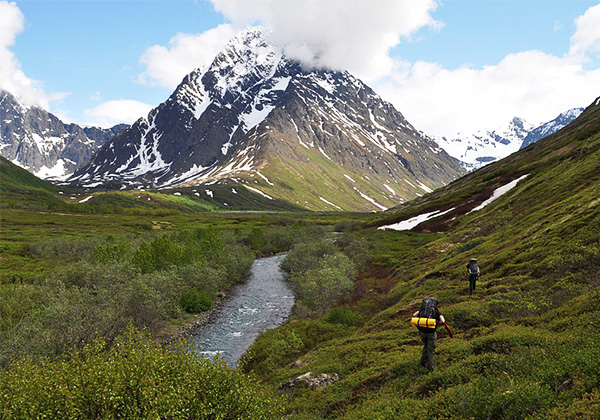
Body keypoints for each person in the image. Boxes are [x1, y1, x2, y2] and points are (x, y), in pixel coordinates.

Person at [412, 297, 445, 373]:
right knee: (430, 350)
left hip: (422, 332)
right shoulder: (436, 312)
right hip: (431, 333)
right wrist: (437, 323)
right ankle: (431, 369)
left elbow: (414, 315)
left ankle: (422, 363)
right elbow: (443, 321)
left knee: (425, 346)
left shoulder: (422, 310)